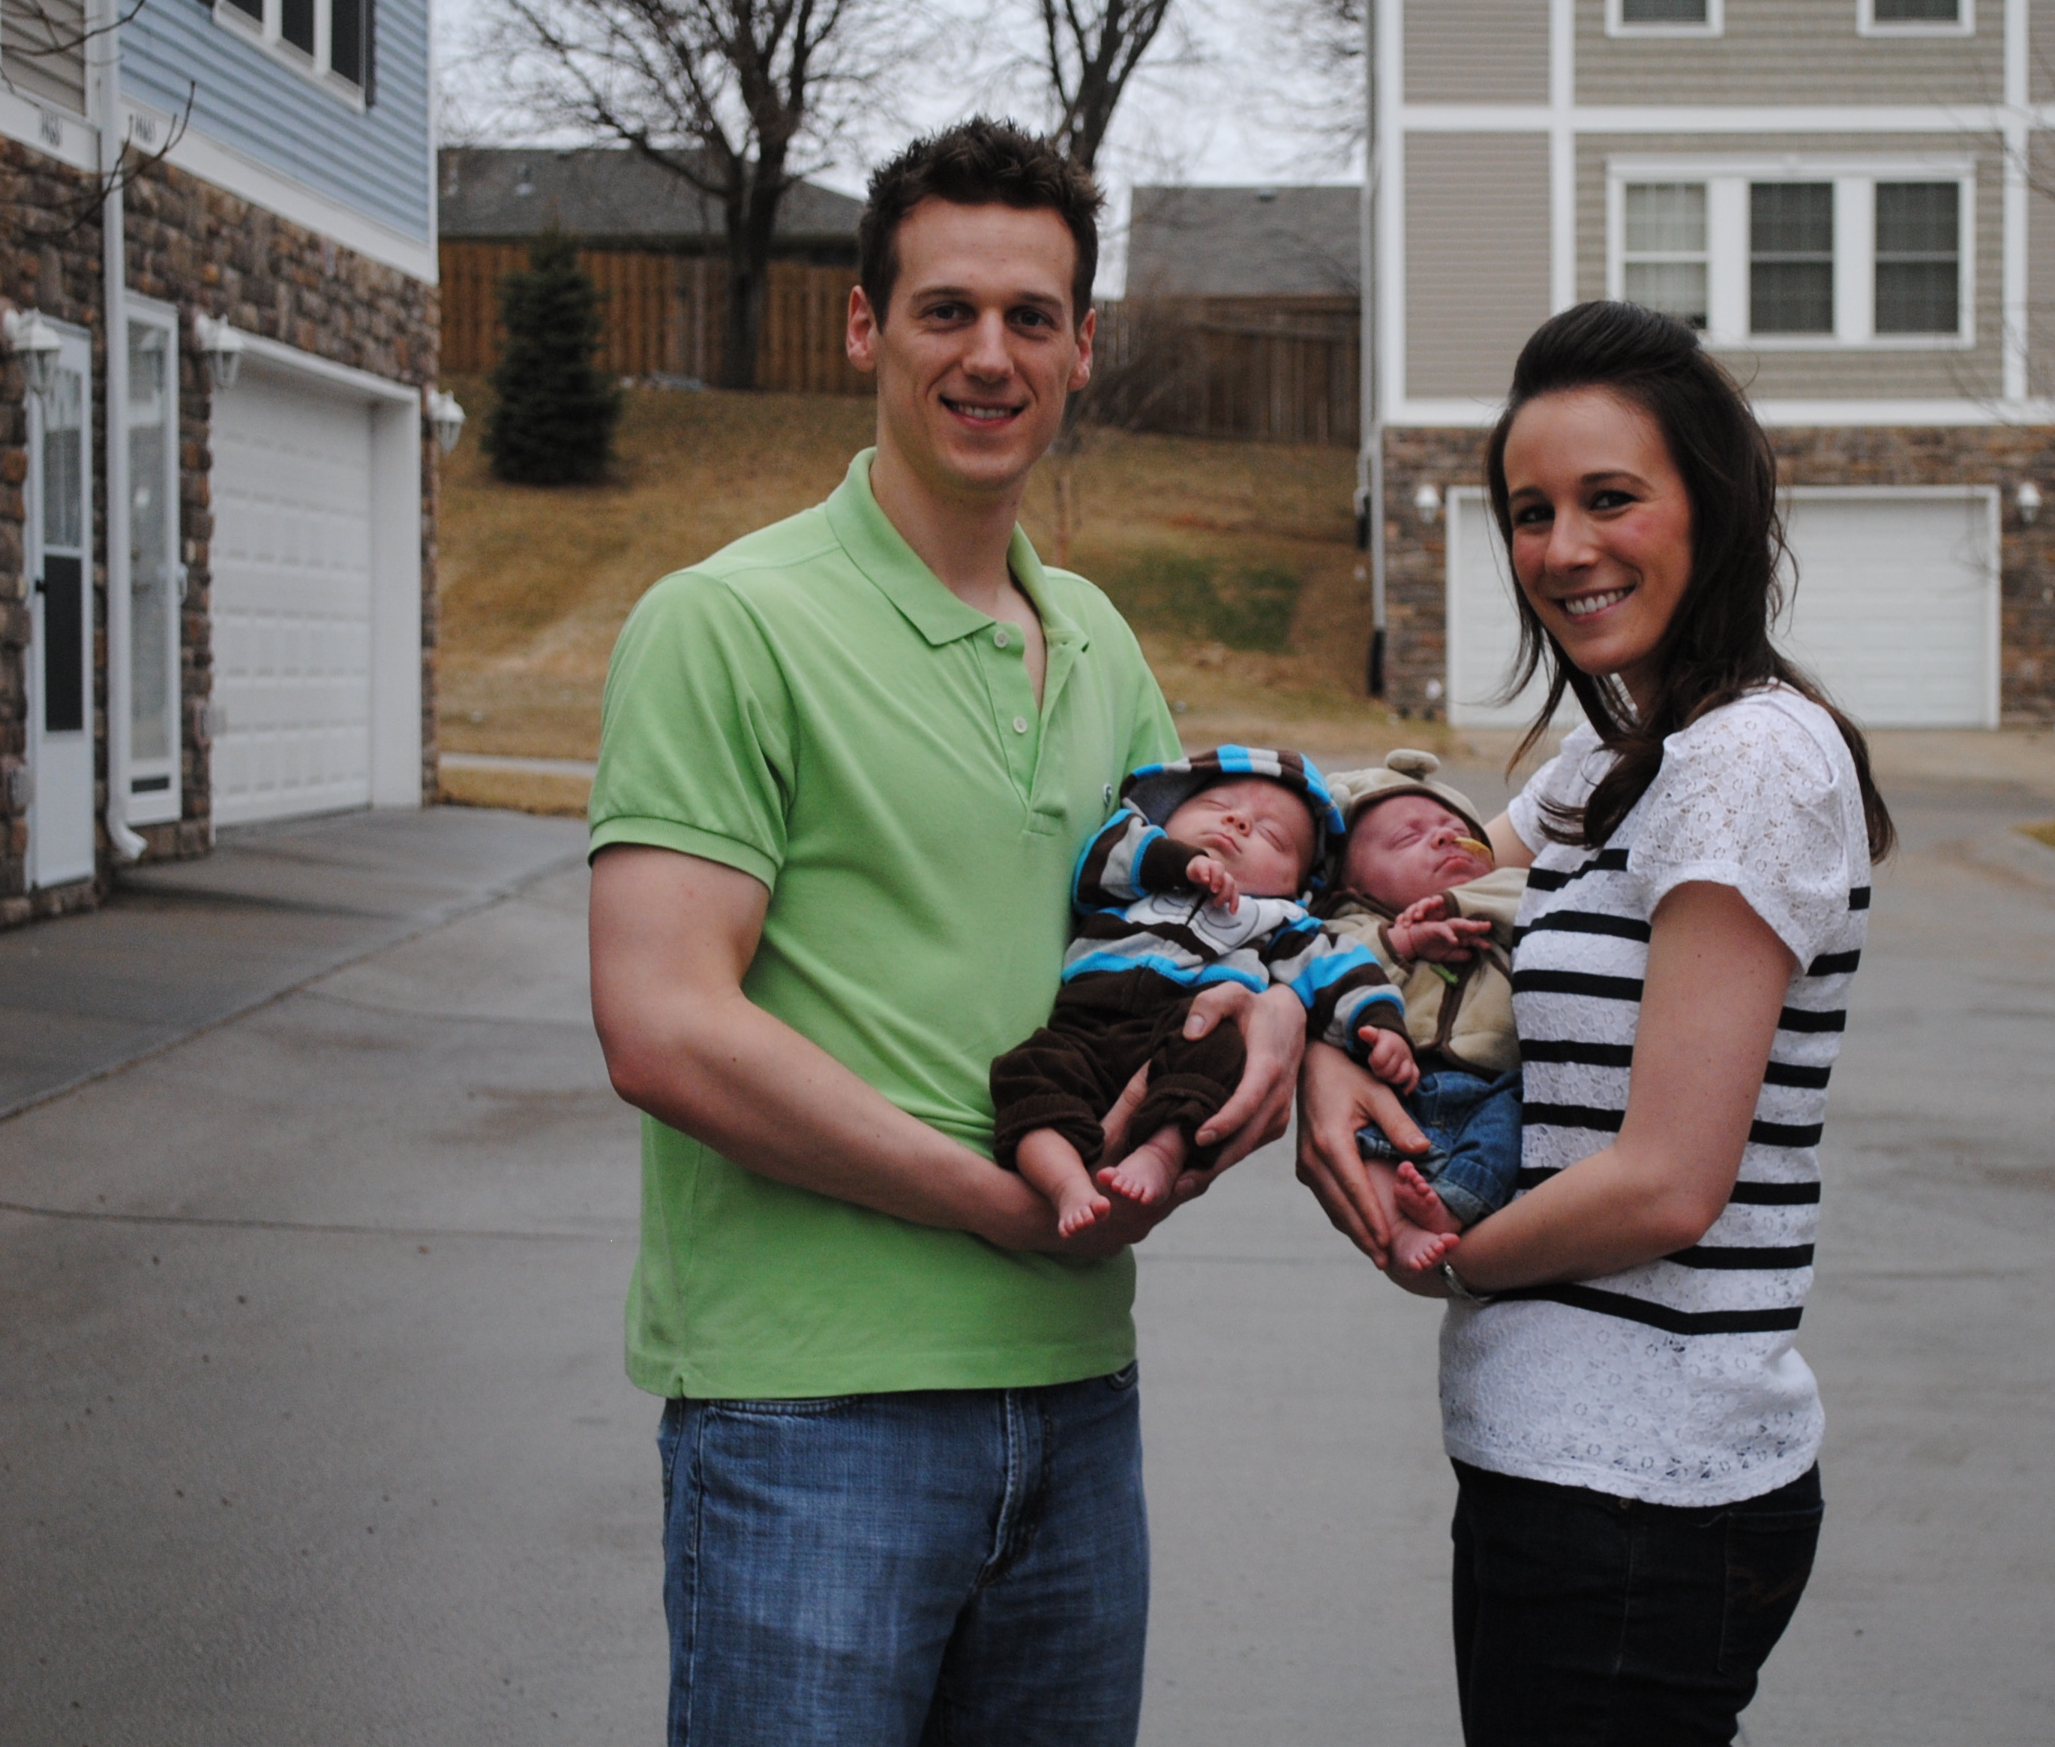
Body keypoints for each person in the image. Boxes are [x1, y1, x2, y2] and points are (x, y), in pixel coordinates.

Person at [585, 117, 1301, 1747]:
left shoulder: (1096, 637)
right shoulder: (729, 623)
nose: (991, 354)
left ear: (1082, 347)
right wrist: (999, 1204)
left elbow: (1180, 943)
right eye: (947, 310)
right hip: (810, 1414)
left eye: (1031, 316)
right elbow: (663, 1026)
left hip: (1077, 1400)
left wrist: (1264, 1018)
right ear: (866, 326)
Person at [1297, 301, 1897, 1746]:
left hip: (1644, 1489)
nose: (1564, 548)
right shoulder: (1616, 754)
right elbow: (1415, 902)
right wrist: (1328, 1047)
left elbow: (1668, 1183)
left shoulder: (1749, 757)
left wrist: (1446, 1256)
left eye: (1611, 498)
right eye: (1531, 511)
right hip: (1556, 1467)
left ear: (1713, 503)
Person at [993, 747, 1417, 1236]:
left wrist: (1380, 1024)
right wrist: (1179, 862)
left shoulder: (1277, 920)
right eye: (1216, 806)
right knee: (1029, 1074)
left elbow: (1342, 967)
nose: (1238, 822)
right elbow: (1099, 862)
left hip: (1185, 1032)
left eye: (1272, 836)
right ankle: (1066, 1184)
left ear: (1295, 885)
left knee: (1222, 1054)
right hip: (1084, 1027)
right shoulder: (1136, 873)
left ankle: (1162, 1152)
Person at [1313, 750, 1527, 1273]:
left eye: (1460, 833)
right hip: (1396, 1089)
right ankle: (1397, 1228)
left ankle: (1451, 1205)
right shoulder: (1345, 931)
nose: (1444, 838)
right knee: (1364, 1150)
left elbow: (1524, 890)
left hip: (1488, 1086)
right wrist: (1402, 943)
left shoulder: (1502, 901)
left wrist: (1461, 904)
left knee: (1508, 1130)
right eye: (1408, 838)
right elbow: (1325, 979)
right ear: (1350, 886)